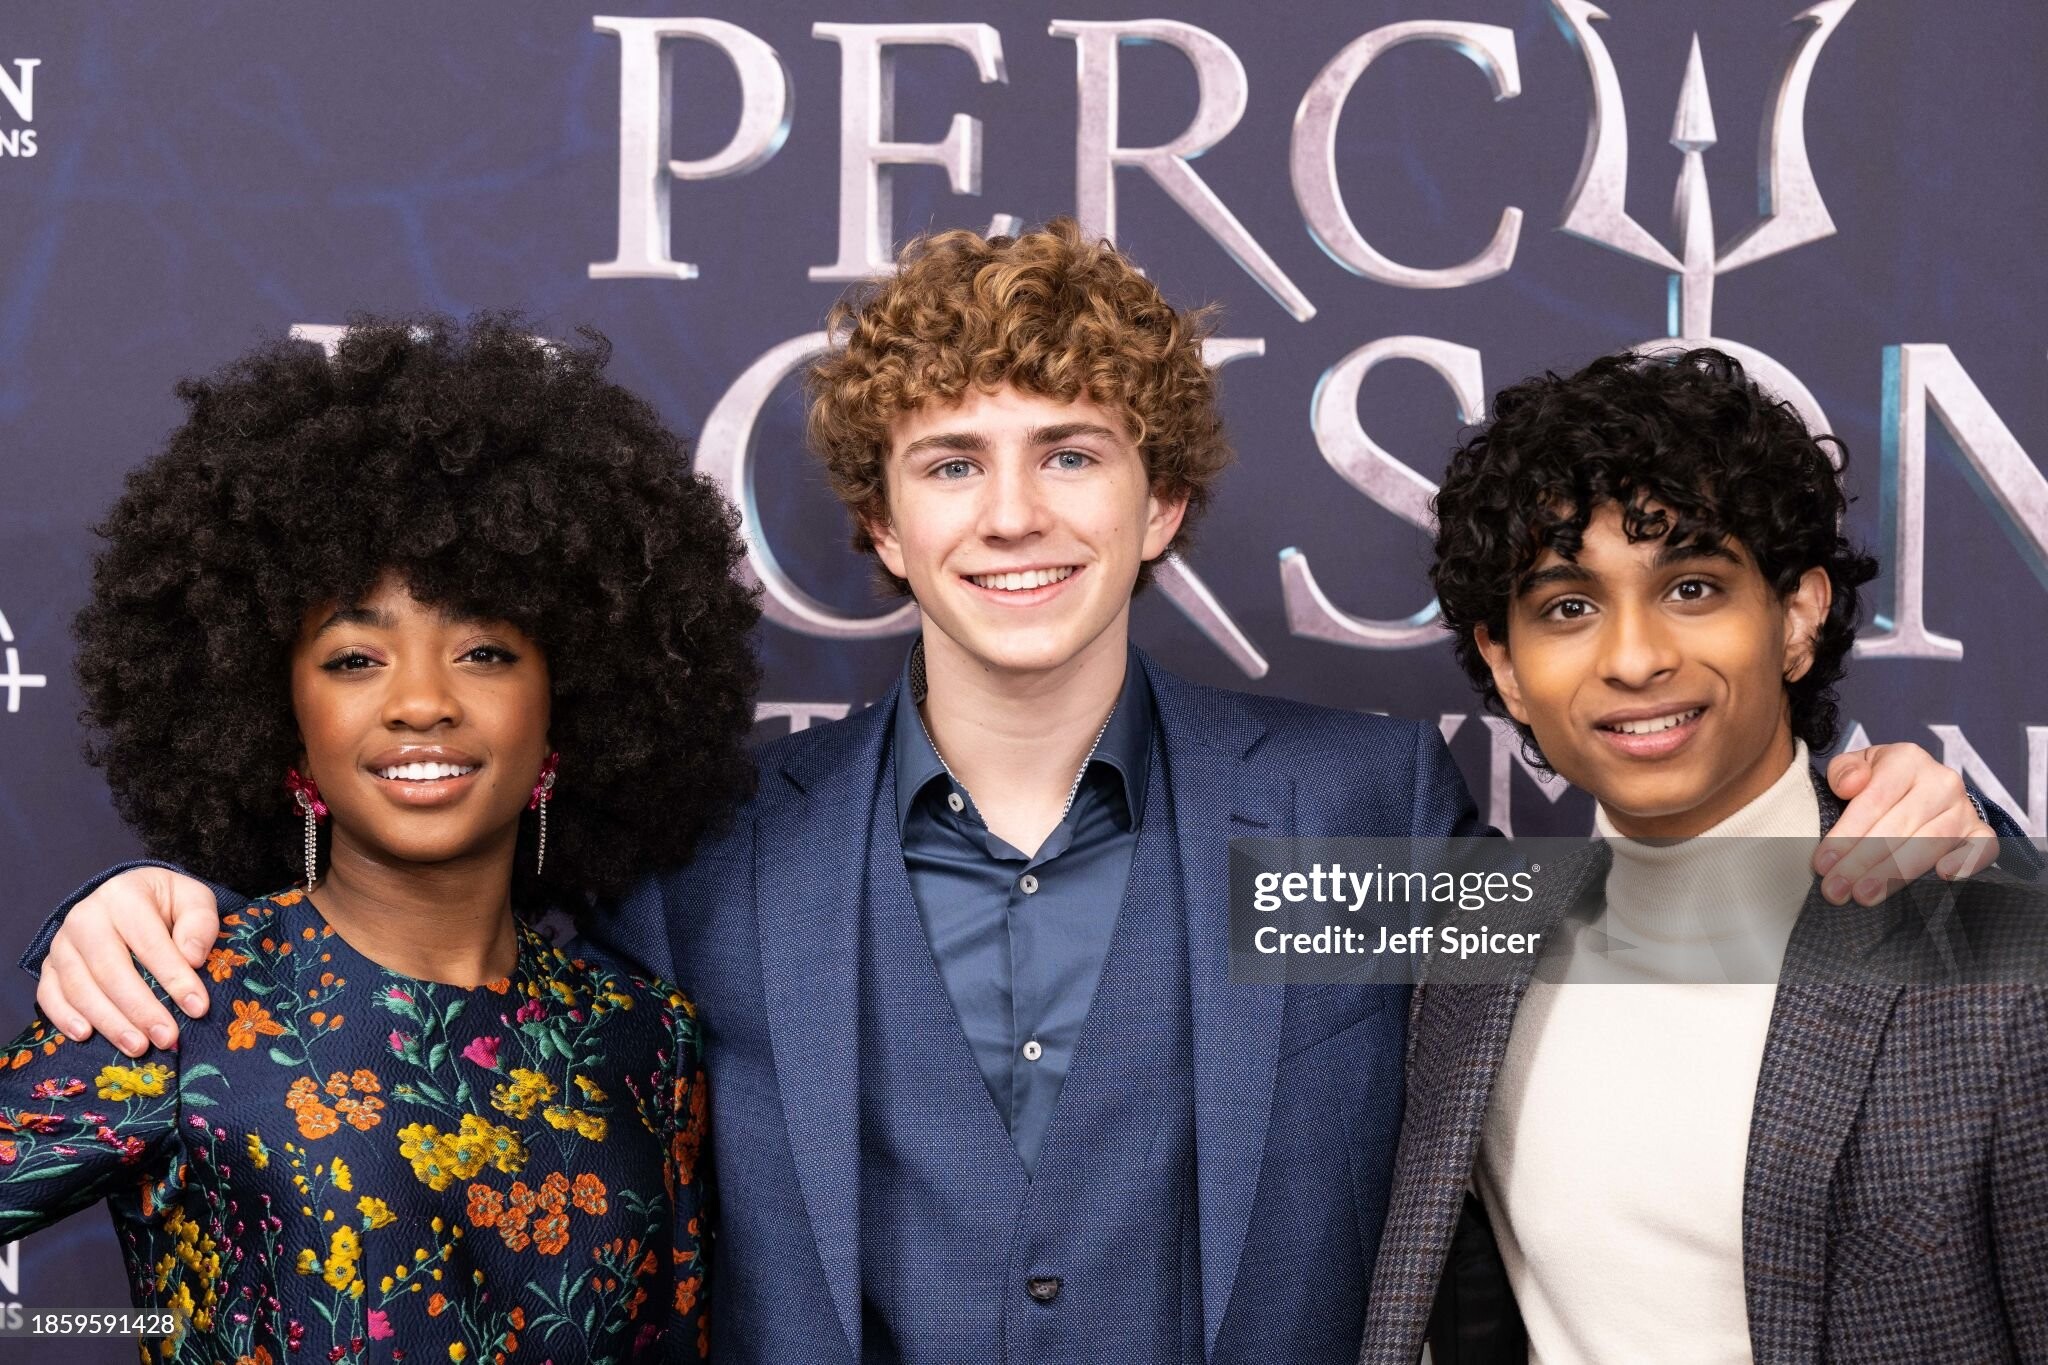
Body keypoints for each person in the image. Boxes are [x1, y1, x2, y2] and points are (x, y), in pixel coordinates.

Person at [20, 229, 2014, 1364]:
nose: (1014, 515)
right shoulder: (716, 861)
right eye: (949, 463)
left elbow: (1629, 944)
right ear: (878, 529)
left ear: (1164, 504)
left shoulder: (1339, 818)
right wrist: (152, 904)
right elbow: (415, 967)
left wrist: (1903, 839)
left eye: (1071, 453)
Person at [0, 315, 761, 1362]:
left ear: (567, 711)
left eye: (485, 651)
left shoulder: (645, 1042)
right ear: (281, 726)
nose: (421, 701)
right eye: (355, 659)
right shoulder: (183, 1006)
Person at [1363, 348, 2048, 1363]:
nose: (1635, 658)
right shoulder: (1463, 959)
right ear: (1505, 665)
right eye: (1567, 607)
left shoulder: (1992, 964)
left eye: (1691, 587)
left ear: (1796, 616)